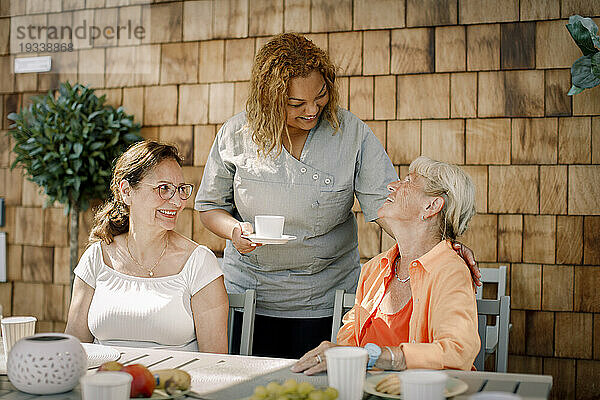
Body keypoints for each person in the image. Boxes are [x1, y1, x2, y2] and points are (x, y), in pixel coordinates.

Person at [195, 33, 479, 359]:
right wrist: (234, 230)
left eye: (320, 95)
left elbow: (393, 209)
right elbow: (209, 207)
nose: (313, 109)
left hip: (325, 298)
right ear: (268, 99)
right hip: (250, 293)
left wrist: (441, 251)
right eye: (296, 103)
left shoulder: (352, 134)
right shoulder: (236, 134)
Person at [293, 156, 480, 374]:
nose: (392, 185)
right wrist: (337, 353)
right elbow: (349, 343)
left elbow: (457, 351)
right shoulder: (375, 268)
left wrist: (379, 357)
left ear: (431, 205)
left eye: (408, 181)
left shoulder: (450, 271)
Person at [65, 141, 228, 352]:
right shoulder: (96, 257)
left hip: (173, 383)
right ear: (126, 191)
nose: (178, 201)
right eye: (164, 189)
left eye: (180, 189)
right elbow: (74, 345)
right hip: (104, 381)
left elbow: (215, 360)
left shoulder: (199, 263)